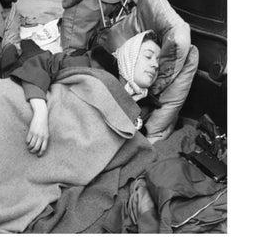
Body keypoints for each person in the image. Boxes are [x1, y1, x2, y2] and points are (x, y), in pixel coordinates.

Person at [10, 30, 162, 157]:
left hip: (67, 154)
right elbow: (43, 64)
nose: (155, 64)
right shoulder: (94, 65)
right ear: (130, 56)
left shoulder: (142, 110)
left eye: (158, 61)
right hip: (36, 116)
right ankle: (11, 58)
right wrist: (40, 113)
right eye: (148, 56)